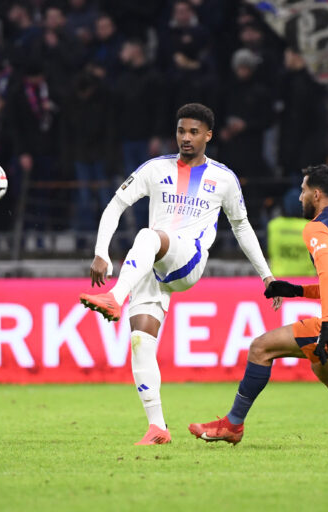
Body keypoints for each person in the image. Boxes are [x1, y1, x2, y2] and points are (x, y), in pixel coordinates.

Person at [79, 103, 280, 446]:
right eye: (181, 131)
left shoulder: (224, 179)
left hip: (188, 259)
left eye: (193, 132)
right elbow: (115, 205)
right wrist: (100, 252)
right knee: (141, 341)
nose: (186, 138)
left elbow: (242, 227)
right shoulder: (155, 169)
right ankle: (157, 427)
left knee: (145, 235)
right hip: (152, 264)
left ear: (208, 136)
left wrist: (267, 276)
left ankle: (114, 297)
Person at [188, 164, 328, 447]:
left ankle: (232, 425)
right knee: (324, 368)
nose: (299, 197)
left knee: (260, 347)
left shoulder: (317, 227)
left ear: (316, 194)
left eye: (303, 190)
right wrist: (296, 290)